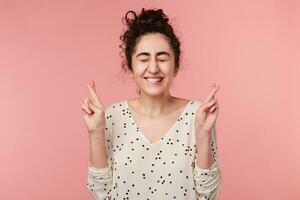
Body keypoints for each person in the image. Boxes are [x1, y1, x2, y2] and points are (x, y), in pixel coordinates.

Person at [81, 8, 222, 200]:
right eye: (144, 58)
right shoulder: (112, 116)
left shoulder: (197, 115)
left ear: (176, 66)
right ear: (130, 67)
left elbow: (208, 194)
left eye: (163, 58)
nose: (154, 67)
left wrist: (203, 134)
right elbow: (100, 192)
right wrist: (96, 133)